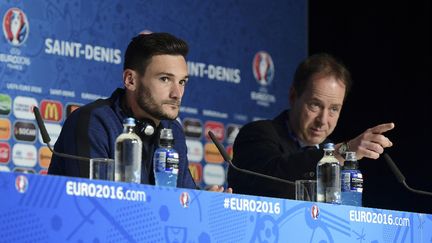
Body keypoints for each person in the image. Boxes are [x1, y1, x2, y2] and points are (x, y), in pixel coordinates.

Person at [48, 32, 229, 192]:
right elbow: (94, 205)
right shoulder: (93, 122)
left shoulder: (173, 131)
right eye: (165, 79)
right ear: (130, 80)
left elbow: (181, 199)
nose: (177, 94)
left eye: (182, 82)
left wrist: (204, 204)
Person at [227, 53, 394, 199]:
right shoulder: (258, 134)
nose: (323, 120)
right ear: (293, 96)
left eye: (334, 109)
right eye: (315, 105)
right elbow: (270, 179)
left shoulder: (332, 150)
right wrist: (341, 151)